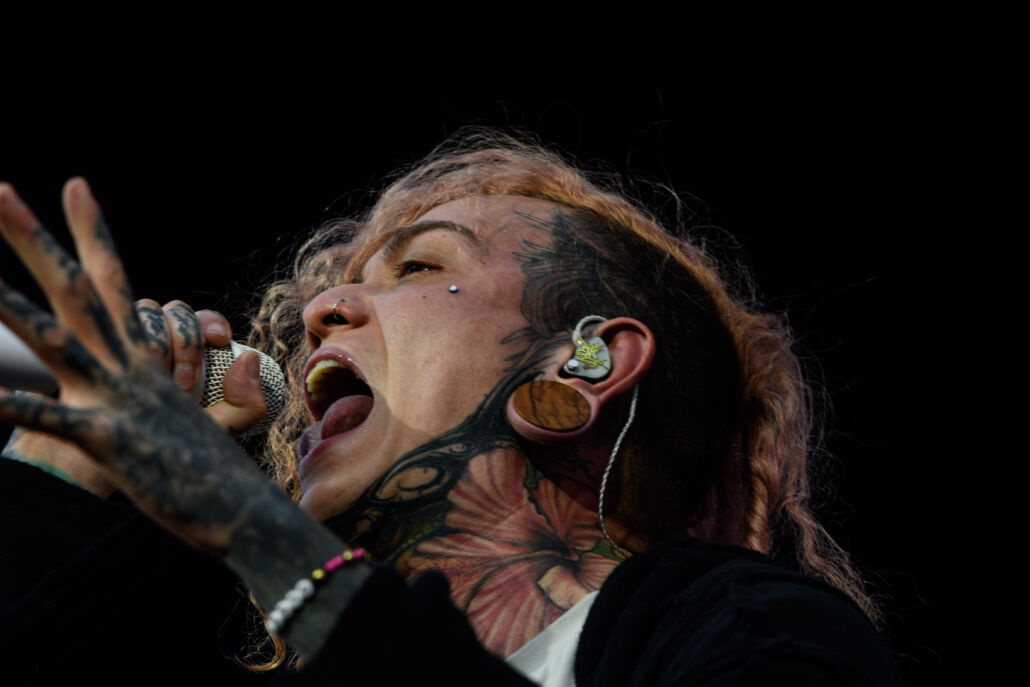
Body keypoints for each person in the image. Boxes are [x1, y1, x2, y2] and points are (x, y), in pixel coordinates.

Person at [0, 130, 900, 685]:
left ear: (585, 364)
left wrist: (244, 523)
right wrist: (64, 450)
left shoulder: (756, 638)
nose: (321, 314)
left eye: (422, 266)